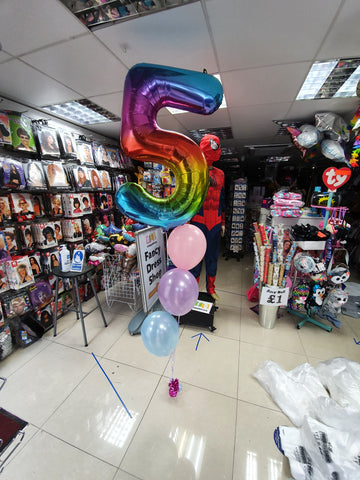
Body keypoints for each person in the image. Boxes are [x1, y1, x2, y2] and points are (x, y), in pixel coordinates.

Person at [190, 134, 225, 302]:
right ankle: (192, 290)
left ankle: (211, 288)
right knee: (195, 258)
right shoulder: (194, 171)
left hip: (216, 222)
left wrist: (223, 221)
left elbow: (222, 200)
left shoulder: (221, 174)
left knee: (212, 257)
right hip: (197, 221)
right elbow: (189, 199)